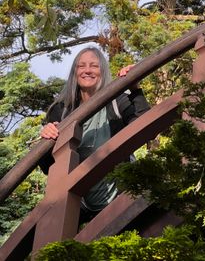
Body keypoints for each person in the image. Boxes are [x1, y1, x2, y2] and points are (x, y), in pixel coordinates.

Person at [39, 46, 150, 223]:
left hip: (124, 191)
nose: (87, 70)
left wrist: (134, 89)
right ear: (74, 72)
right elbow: (48, 167)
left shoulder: (116, 99)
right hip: (81, 200)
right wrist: (46, 139)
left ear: (102, 71)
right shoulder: (61, 110)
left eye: (94, 66)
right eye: (81, 66)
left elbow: (144, 125)